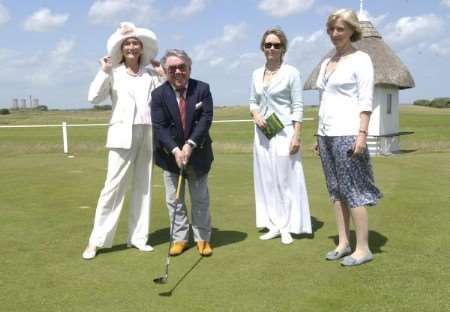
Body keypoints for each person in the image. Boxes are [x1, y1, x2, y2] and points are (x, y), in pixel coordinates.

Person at [82, 22, 163, 260]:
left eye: (135, 43)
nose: (131, 47)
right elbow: (93, 98)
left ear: (141, 48)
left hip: (147, 134)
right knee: (112, 189)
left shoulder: (150, 74)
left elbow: (164, 99)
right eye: (127, 43)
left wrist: (162, 76)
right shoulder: (113, 73)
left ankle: (138, 238)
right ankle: (96, 241)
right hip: (121, 136)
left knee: (144, 187)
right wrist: (104, 71)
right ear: (121, 48)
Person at [314, 9, 383, 266]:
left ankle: (363, 248)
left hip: (348, 133)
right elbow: (324, 100)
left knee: (352, 190)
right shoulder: (327, 62)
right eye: (331, 29)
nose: (334, 34)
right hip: (326, 134)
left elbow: (366, 101)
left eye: (340, 29)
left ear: (352, 30)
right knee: (336, 190)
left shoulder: (361, 59)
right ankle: (343, 243)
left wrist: (362, 134)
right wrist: (317, 134)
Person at [249, 27, 312, 245]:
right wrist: (255, 113)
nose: (272, 48)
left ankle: (287, 226)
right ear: (262, 48)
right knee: (266, 179)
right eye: (268, 45)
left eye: (276, 45)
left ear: (283, 48)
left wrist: (297, 135)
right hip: (262, 133)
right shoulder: (256, 74)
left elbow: (297, 105)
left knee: (286, 179)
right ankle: (274, 223)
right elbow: (252, 100)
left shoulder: (291, 72)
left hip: (284, 131)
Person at [151, 49, 214, 257]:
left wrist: (189, 145)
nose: (178, 71)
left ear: (189, 68)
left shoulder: (202, 89)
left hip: (198, 153)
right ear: (166, 71)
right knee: (175, 200)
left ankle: (202, 238)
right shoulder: (158, 95)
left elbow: (205, 119)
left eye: (182, 67)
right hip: (170, 156)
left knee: (200, 199)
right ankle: (180, 238)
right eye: (172, 68)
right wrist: (176, 149)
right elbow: (159, 127)